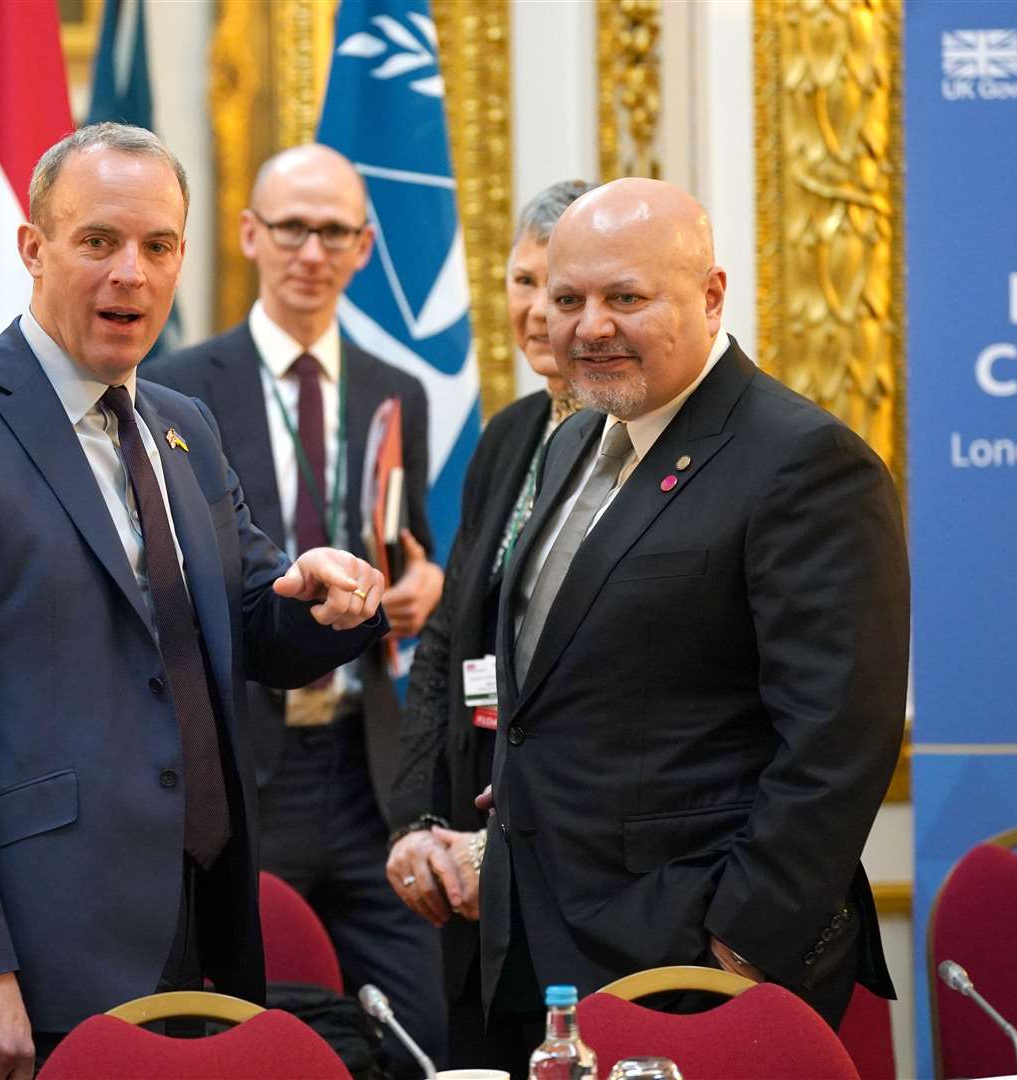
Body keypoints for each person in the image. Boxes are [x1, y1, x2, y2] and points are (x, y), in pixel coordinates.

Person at [0, 123, 389, 1080]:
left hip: (202, 919)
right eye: (98, 241)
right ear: (33, 248)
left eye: (158, 245)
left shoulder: (182, 425)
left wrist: (323, 598)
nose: (130, 275)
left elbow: (248, 615)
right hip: (41, 947)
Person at [477, 178, 909, 1070]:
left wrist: (737, 949)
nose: (589, 326)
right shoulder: (571, 440)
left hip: (693, 959)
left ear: (711, 296)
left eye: (625, 298)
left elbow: (836, 743)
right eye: (568, 300)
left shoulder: (805, 463)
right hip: (544, 942)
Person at [147, 143, 448, 1074]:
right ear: (249, 236)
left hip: (369, 768)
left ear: (363, 247)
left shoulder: (399, 389)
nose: (311, 252)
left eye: (334, 233)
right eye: (291, 229)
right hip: (247, 760)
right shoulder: (175, 388)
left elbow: (411, 537)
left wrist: (425, 580)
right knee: (253, 1034)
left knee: (416, 1032)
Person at [384, 179, 591, 1069]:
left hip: (575, 878)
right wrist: (418, 822)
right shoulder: (508, 438)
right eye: (521, 281)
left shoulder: (643, 444)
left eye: (565, 288)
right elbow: (446, 642)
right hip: (471, 882)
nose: (539, 311)